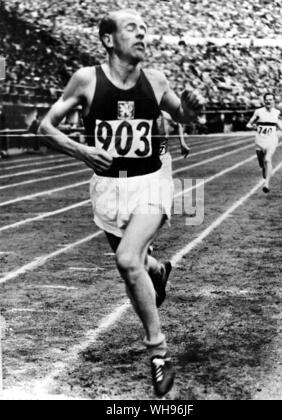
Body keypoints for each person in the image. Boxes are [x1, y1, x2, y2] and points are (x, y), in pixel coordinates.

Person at [39, 9, 203, 397]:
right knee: (139, 263)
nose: (142, 34)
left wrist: (193, 108)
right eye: (133, 28)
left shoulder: (156, 79)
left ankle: (158, 353)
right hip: (108, 188)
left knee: (127, 260)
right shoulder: (86, 79)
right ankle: (158, 270)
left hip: (152, 181)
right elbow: (45, 127)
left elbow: (184, 114)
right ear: (109, 39)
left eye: (145, 29)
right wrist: (82, 151)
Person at [247, 93, 282, 193]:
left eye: (271, 100)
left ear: (274, 101)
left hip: (272, 140)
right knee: (262, 163)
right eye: (267, 100)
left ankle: (266, 184)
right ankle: (263, 168)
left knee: (268, 159)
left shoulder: (277, 112)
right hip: (259, 140)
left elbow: (277, 122)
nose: (268, 101)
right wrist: (252, 126)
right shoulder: (258, 112)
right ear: (264, 101)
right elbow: (249, 124)